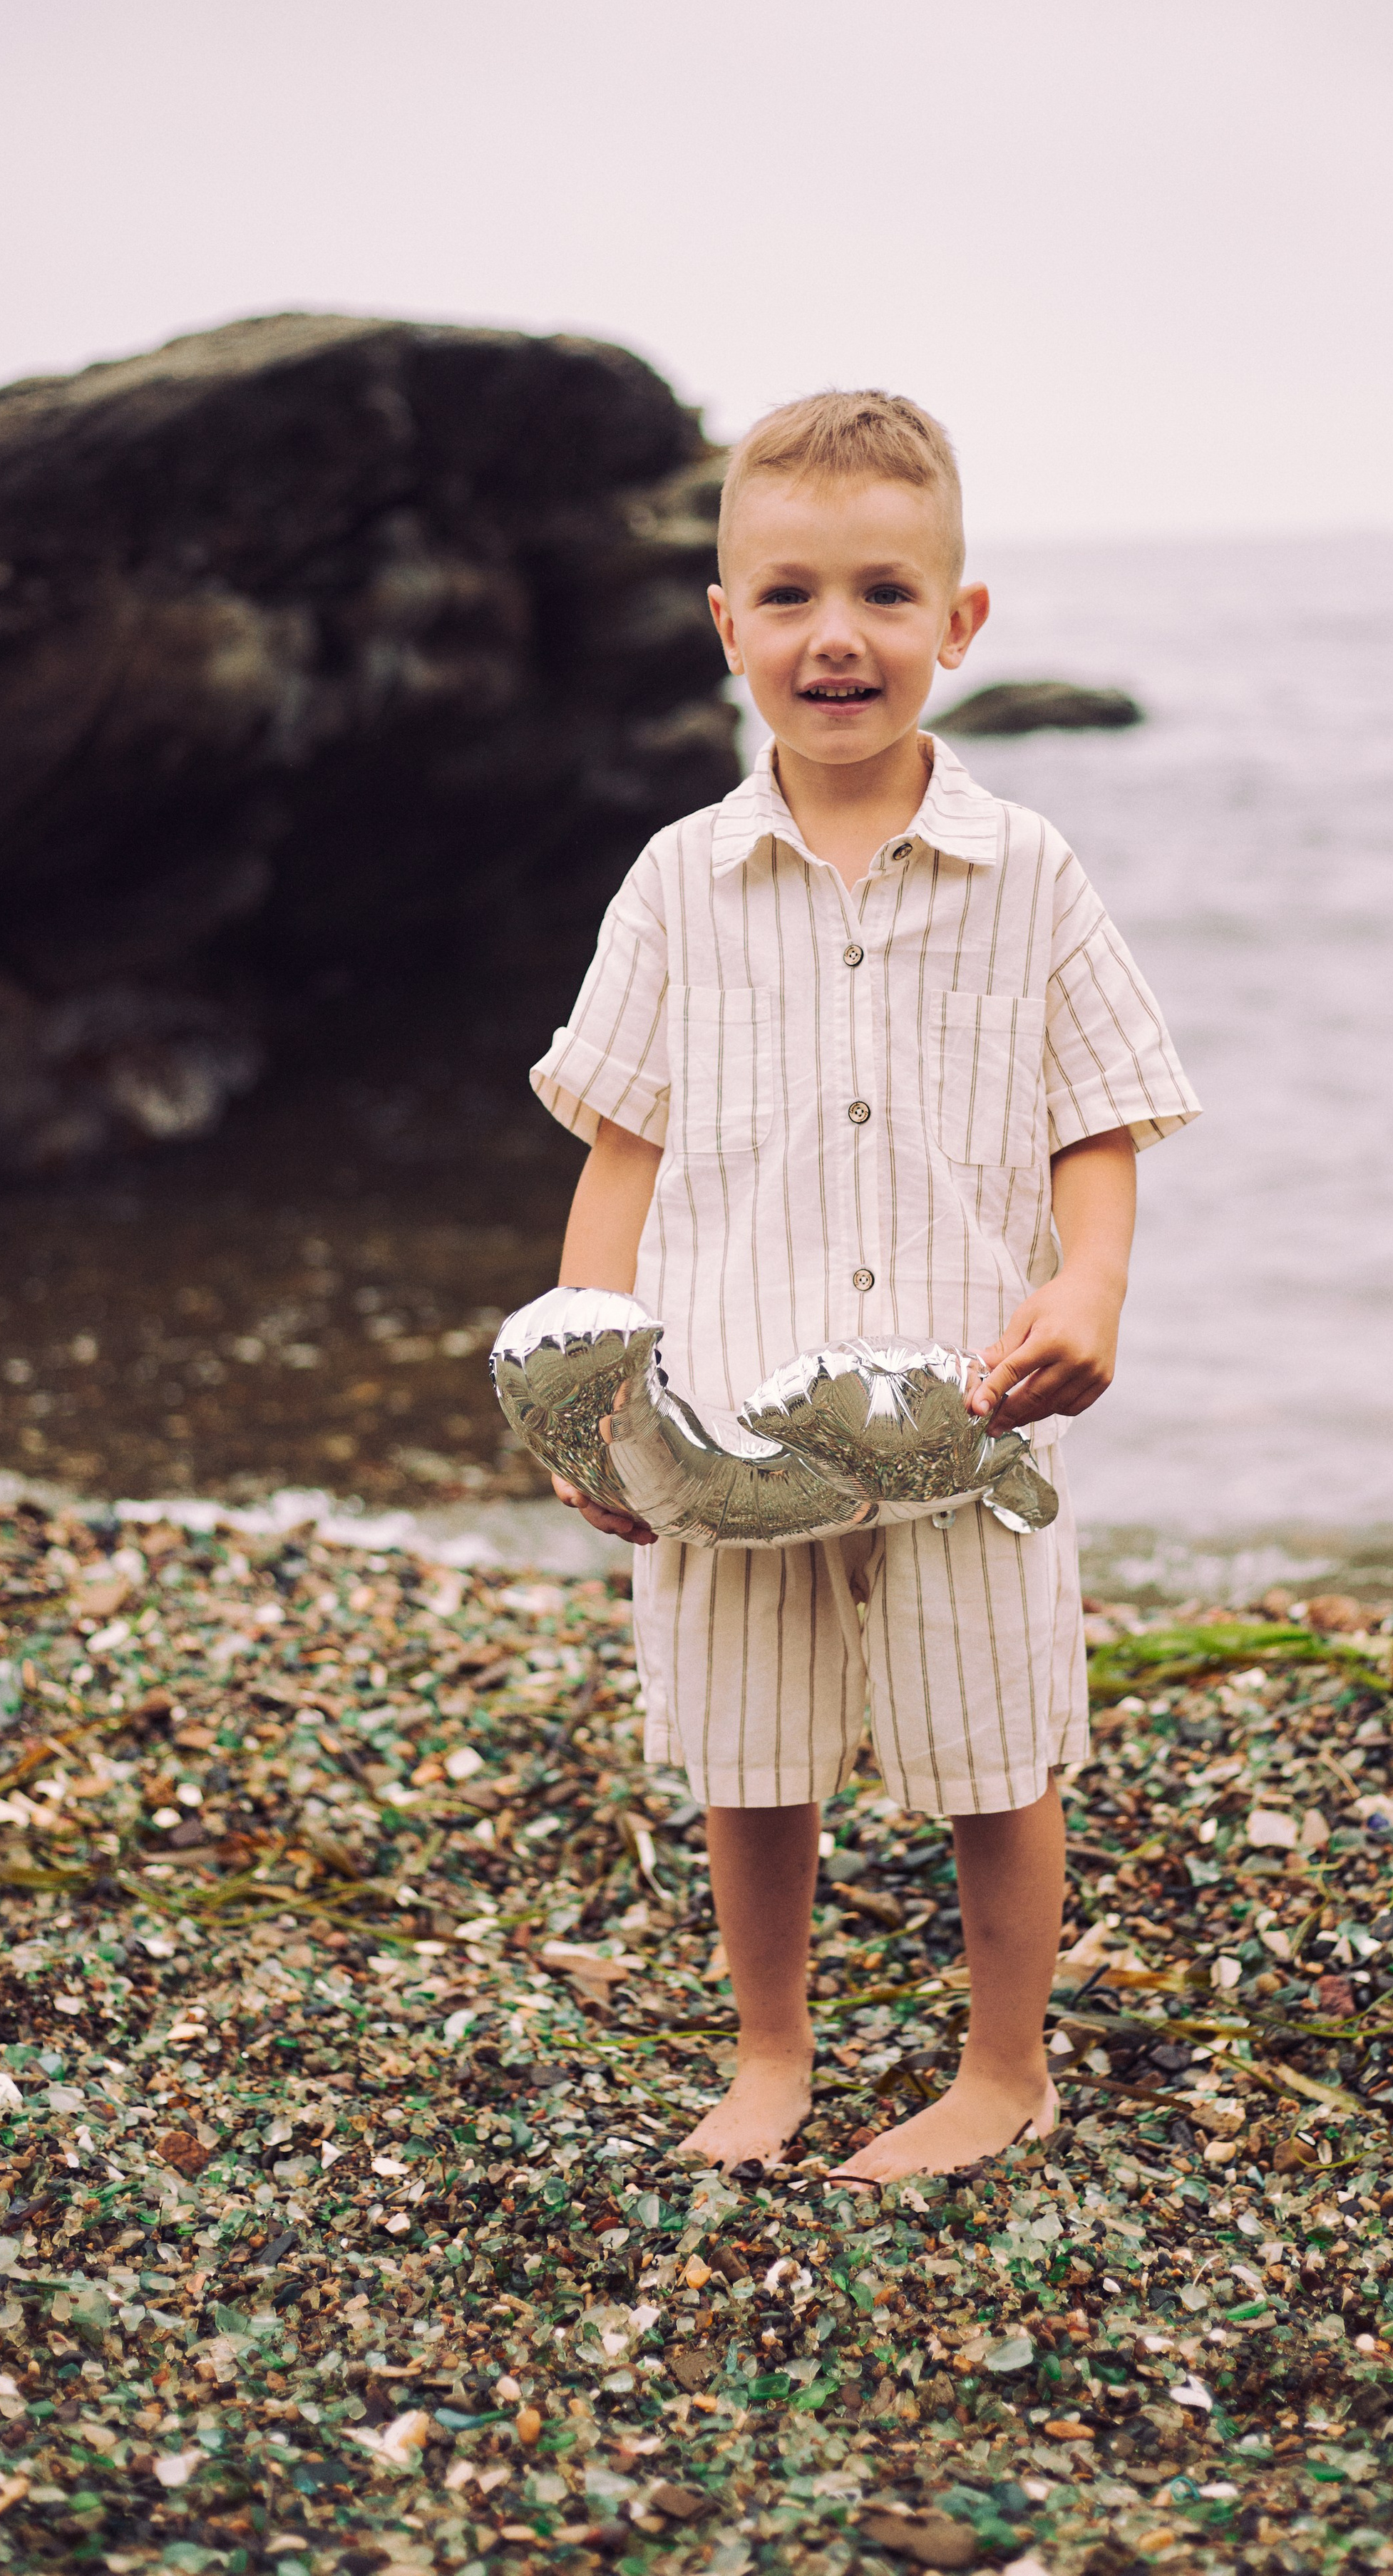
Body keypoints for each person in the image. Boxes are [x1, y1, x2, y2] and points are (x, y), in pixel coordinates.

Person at [530, 391, 1197, 2180]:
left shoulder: (1026, 873)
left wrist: (1094, 1288)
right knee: (748, 1751)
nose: (839, 635)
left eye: (886, 594)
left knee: (995, 1742)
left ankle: (1001, 2068)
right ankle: (769, 2055)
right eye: (794, 594)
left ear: (958, 625)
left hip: (970, 1407)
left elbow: (1097, 1115)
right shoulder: (677, 884)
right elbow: (622, 1148)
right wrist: (587, 1396)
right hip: (727, 1409)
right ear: (728, 623)